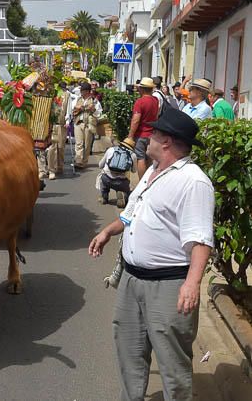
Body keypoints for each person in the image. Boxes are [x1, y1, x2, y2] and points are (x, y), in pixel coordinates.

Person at [88, 107, 214, 401]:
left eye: (154, 133)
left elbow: (201, 240)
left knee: (172, 364)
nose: (148, 137)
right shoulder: (152, 172)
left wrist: (192, 284)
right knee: (130, 352)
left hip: (168, 286)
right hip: (133, 280)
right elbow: (133, 214)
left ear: (167, 141)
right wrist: (109, 230)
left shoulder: (193, 182)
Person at [126, 77, 159, 179]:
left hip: (141, 135)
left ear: (142, 89)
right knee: (149, 158)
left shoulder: (140, 102)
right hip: (152, 134)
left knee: (140, 158)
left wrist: (130, 136)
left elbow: (136, 120)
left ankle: (141, 183)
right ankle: (148, 181)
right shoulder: (155, 100)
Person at [96, 137, 137, 207]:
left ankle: (104, 197)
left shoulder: (111, 150)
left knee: (102, 178)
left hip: (107, 179)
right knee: (128, 191)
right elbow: (134, 171)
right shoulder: (133, 155)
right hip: (122, 182)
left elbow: (100, 165)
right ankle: (122, 194)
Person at [71, 82, 100, 169]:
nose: (81, 92)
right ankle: (78, 161)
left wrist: (93, 109)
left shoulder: (94, 100)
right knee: (78, 143)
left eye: (82, 90)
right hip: (78, 123)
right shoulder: (77, 99)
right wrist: (78, 109)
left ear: (87, 91)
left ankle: (84, 162)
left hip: (88, 125)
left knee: (87, 145)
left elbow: (98, 113)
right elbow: (73, 109)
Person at [48, 85, 70, 179]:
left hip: (61, 124)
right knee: (52, 148)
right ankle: (51, 169)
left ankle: (60, 166)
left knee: (60, 147)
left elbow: (68, 109)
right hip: (51, 125)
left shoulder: (67, 95)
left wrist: (67, 120)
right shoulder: (50, 95)